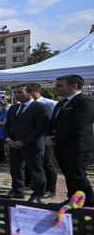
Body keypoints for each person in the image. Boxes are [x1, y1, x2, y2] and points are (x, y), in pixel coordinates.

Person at [45, 74, 94, 207]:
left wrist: (56, 139)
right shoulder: (61, 103)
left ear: (74, 86)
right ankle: (73, 200)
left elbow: (78, 124)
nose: (56, 88)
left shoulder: (85, 101)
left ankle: (88, 203)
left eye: (59, 85)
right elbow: (53, 122)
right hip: (61, 145)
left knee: (77, 175)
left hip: (78, 145)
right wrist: (48, 136)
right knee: (69, 175)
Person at [0, 84, 51, 203]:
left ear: (31, 93)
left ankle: (38, 194)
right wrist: (8, 139)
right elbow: (8, 125)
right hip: (14, 144)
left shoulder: (41, 108)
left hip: (32, 145)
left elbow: (41, 129)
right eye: (16, 92)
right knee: (16, 169)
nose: (17, 95)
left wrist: (24, 142)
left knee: (36, 171)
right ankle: (17, 190)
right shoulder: (13, 108)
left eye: (20, 92)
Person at [28, 83, 58, 198]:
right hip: (33, 138)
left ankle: (51, 189)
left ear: (36, 91)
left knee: (47, 163)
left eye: (29, 92)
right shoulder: (28, 105)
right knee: (35, 163)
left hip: (46, 138)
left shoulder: (50, 103)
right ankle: (38, 185)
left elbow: (57, 119)